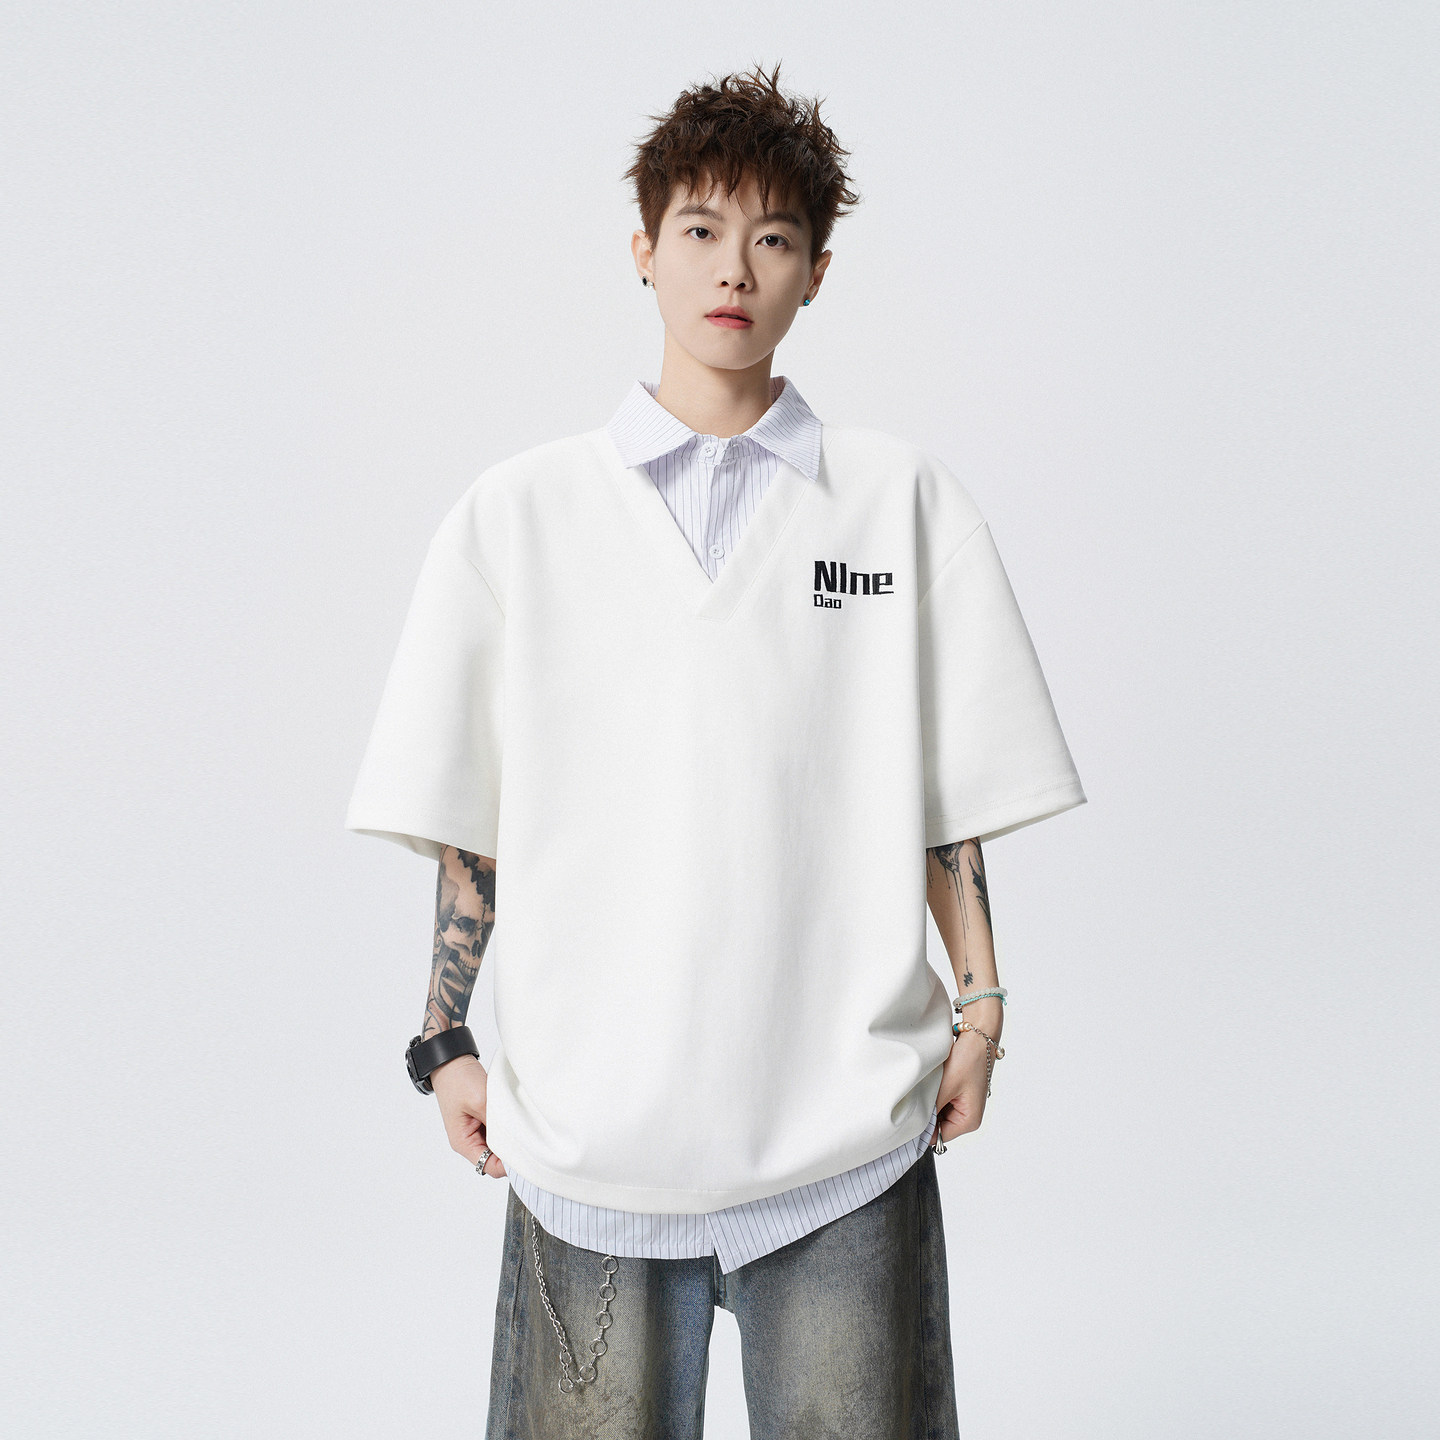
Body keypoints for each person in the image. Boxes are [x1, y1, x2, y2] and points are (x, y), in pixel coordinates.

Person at [345, 61, 1086, 1440]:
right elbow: (473, 818)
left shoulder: (899, 504)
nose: (733, 268)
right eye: (699, 228)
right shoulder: (521, 516)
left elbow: (947, 796)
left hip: (845, 1130)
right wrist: (443, 1034)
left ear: (817, 272)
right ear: (642, 248)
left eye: (774, 237)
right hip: (593, 1136)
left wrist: (982, 1009)